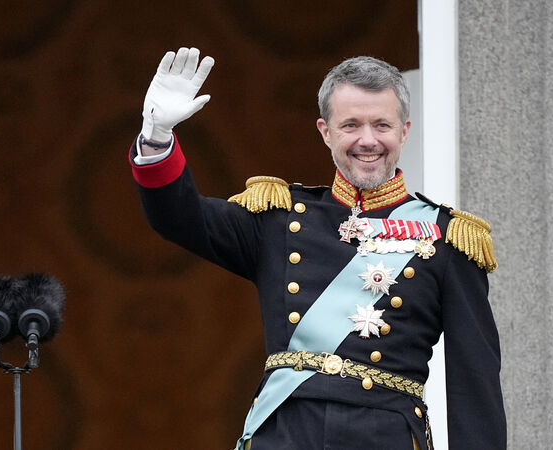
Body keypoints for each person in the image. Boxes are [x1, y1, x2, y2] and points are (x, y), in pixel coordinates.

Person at [129, 47, 506, 449]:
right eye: (351, 125)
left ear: (404, 131)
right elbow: (180, 218)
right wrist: (157, 137)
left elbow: (475, 385)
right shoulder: (278, 218)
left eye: (381, 125)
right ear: (326, 132)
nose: (368, 140)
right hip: (286, 434)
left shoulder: (448, 238)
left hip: (384, 438)